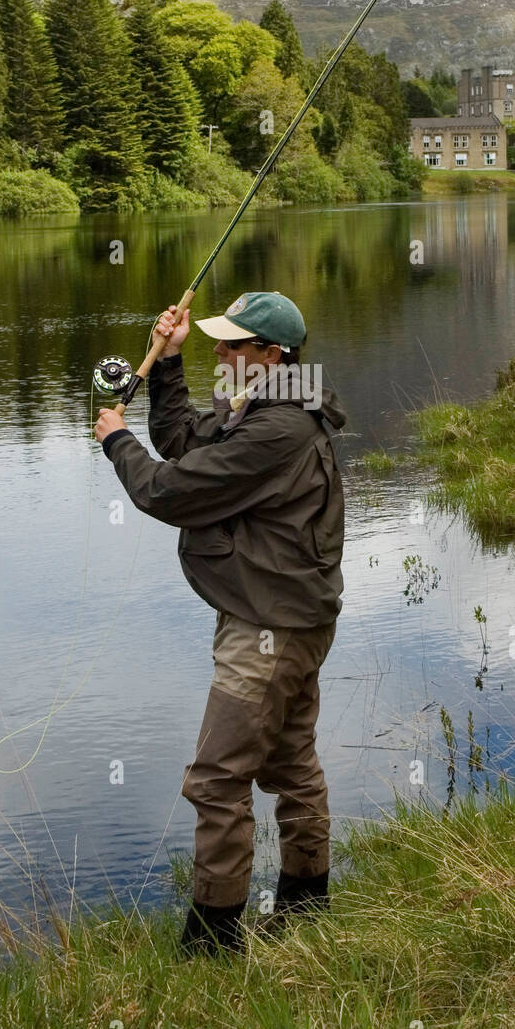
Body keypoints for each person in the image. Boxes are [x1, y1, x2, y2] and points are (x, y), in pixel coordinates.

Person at [93, 291, 346, 955]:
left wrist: (115, 441)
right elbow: (181, 441)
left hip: (270, 630)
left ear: (273, 355)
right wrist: (167, 366)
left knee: (217, 779)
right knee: (292, 763)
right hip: (290, 618)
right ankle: (306, 908)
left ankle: (212, 943)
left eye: (234, 346)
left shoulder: (274, 430)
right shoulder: (264, 408)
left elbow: (167, 491)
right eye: (218, 343)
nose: (221, 353)